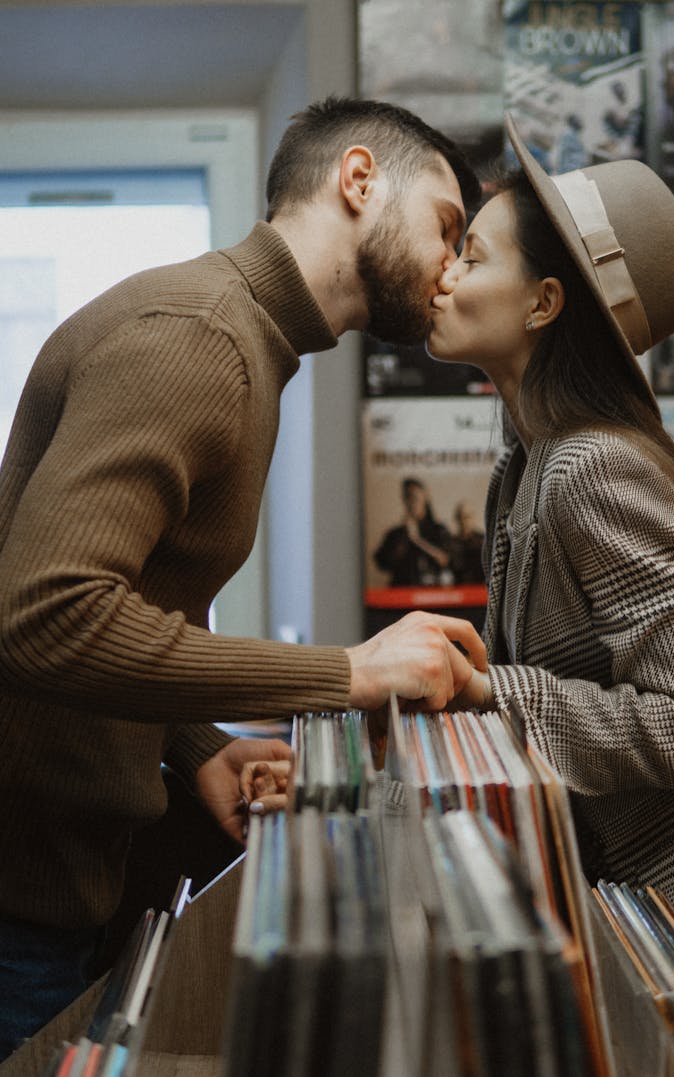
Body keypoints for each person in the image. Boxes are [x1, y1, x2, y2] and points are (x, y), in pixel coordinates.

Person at [0, 95, 487, 1059]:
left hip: (56, 885)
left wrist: (198, 749)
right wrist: (349, 673)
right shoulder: (201, 336)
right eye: (446, 225)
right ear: (358, 181)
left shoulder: (244, 341)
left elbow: (130, 604)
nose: (453, 268)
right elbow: (45, 614)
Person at [428, 113, 674, 1009]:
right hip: (649, 917)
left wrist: (499, 691)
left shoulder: (591, 466)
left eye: (475, 256)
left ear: (544, 304)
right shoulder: (527, 466)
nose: (443, 272)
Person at [373, 476, 453, 586]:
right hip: (402, 593)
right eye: (407, 497)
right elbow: (382, 564)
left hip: (432, 593)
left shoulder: (439, 530)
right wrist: (403, 538)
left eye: (414, 497)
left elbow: (445, 559)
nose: (411, 502)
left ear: (425, 497)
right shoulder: (395, 534)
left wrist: (416, 540)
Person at [449, 500, 485, 584]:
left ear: (473, 518)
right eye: (461, 517)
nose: (464, 521)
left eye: (467, 517)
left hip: (479, 588)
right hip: (459, 587)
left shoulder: (482, 541)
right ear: (457, 519)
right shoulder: (452, 542)